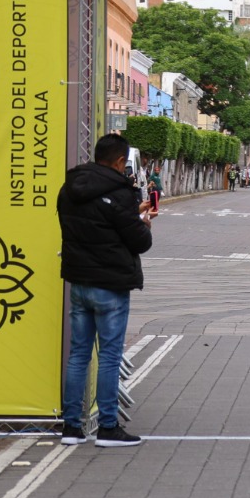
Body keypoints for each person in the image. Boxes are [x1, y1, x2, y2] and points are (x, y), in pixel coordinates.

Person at [56, 133, 154, 448]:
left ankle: (72, 428)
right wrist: (143, 222)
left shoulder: (68, 188)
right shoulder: (120, 193)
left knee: (78, 355)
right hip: (110, 284)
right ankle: (108, 427)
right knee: (110, 355)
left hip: (79, 280)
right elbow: (139, 241)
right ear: (119, 161)